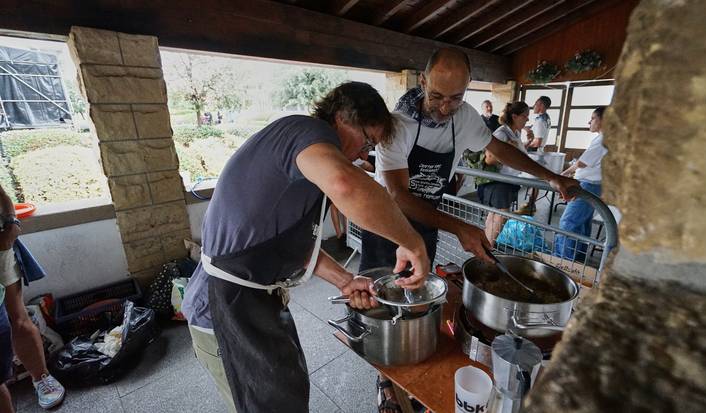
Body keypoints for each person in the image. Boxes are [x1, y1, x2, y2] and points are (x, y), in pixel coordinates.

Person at [181, 81, 430, 413]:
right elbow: (346, 184)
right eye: (366, 141)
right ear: (342, 118)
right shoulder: (305, 131)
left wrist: (345, 280)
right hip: (222, 309)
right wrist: (412, 242)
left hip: (256, 302)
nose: (364, 154)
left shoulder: (303, 169)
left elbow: (292, 247)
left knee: (289, 395)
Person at [357, 48, 578, 413]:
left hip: (426, 224)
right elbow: (397, 196)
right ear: (423, 82)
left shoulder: (466, 118)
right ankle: (385, 381)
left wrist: (551, 177)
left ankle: (413, 368)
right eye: (437, 96)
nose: (446, 107)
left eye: (456, 97)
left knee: (420, 300)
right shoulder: (397, 125)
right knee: (385, 303)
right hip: (388, 227)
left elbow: (500, 149)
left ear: (467, 89)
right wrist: (459, 226)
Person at [0, 185, 65, 410]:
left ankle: (41, 377)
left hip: (0, 249)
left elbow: (3, 197)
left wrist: (11, 225)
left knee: (16, 317)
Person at [554, 106, 608, 260]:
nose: (589, 122)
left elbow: (581, 163)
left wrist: (563, 175)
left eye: (592, 118)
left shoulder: (603, 140)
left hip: (588, 185)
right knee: (582, 224)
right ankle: (578, 260)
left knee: (569, 222)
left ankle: (563, 261)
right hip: (594, 185)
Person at [479, 102, 530, 246]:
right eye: (525, 116)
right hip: (499, 181)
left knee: (495, 213)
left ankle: (486, 244)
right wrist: (508, 149)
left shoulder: (516, 133)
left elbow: (517, 152)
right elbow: (489, 159)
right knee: (502, 213)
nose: (527, 120)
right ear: (514, 116)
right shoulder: (501, 133)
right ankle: (488, 246)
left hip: (510, 180)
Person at [517, 96, 552, 215]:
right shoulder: (544, 118)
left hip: (535, 152)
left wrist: (524, 146)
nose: (533, 106)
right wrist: (527, 128)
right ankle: (531, 204)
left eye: (536, 104)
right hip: (539, 152)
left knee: (534, 180)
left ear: (541, 105)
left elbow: (538, 141)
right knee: (534, 180)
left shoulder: (541, 120)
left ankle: (531, 204)